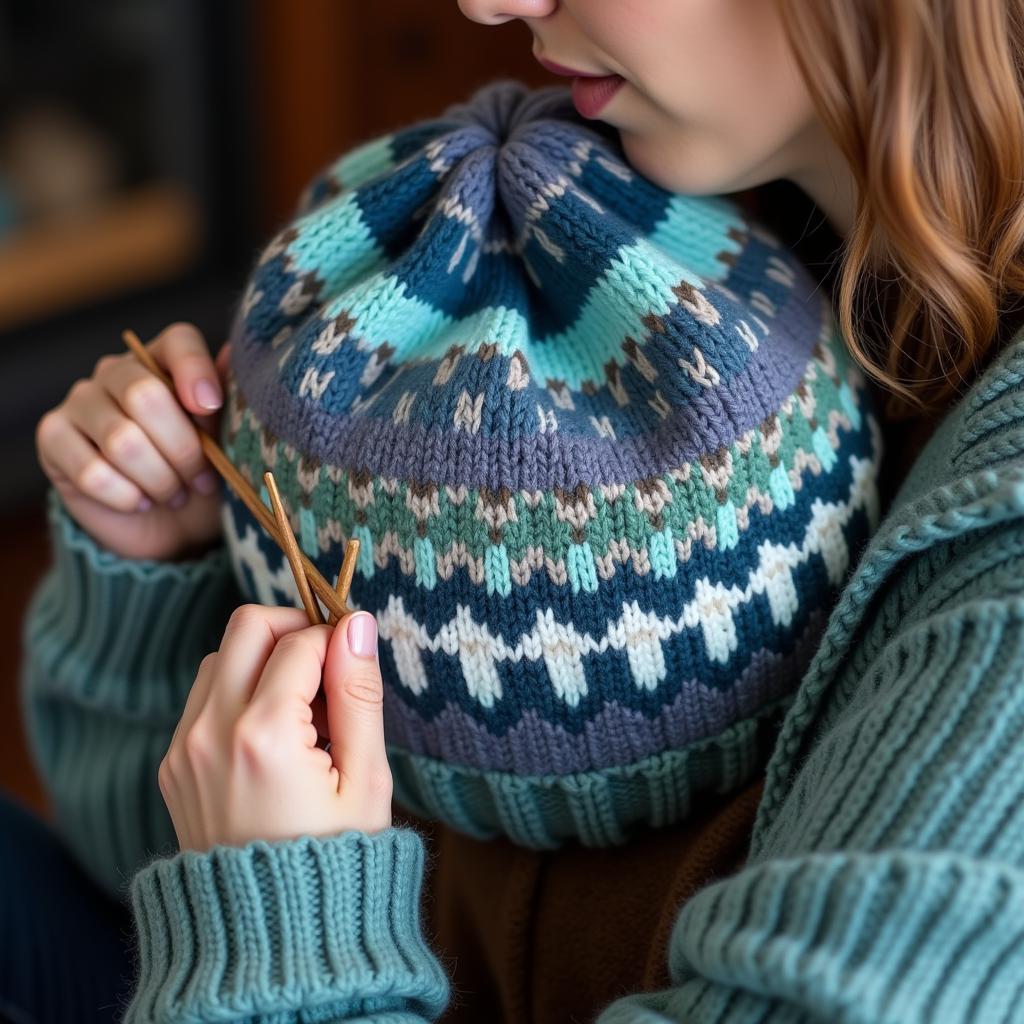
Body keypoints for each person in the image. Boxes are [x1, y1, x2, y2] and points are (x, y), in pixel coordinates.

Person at [8, 2, 1024, 1022]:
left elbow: (235, 927)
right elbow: (150, 875)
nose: (489, 2)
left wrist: (281, 941)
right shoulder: (679, 225)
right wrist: (171, 581)